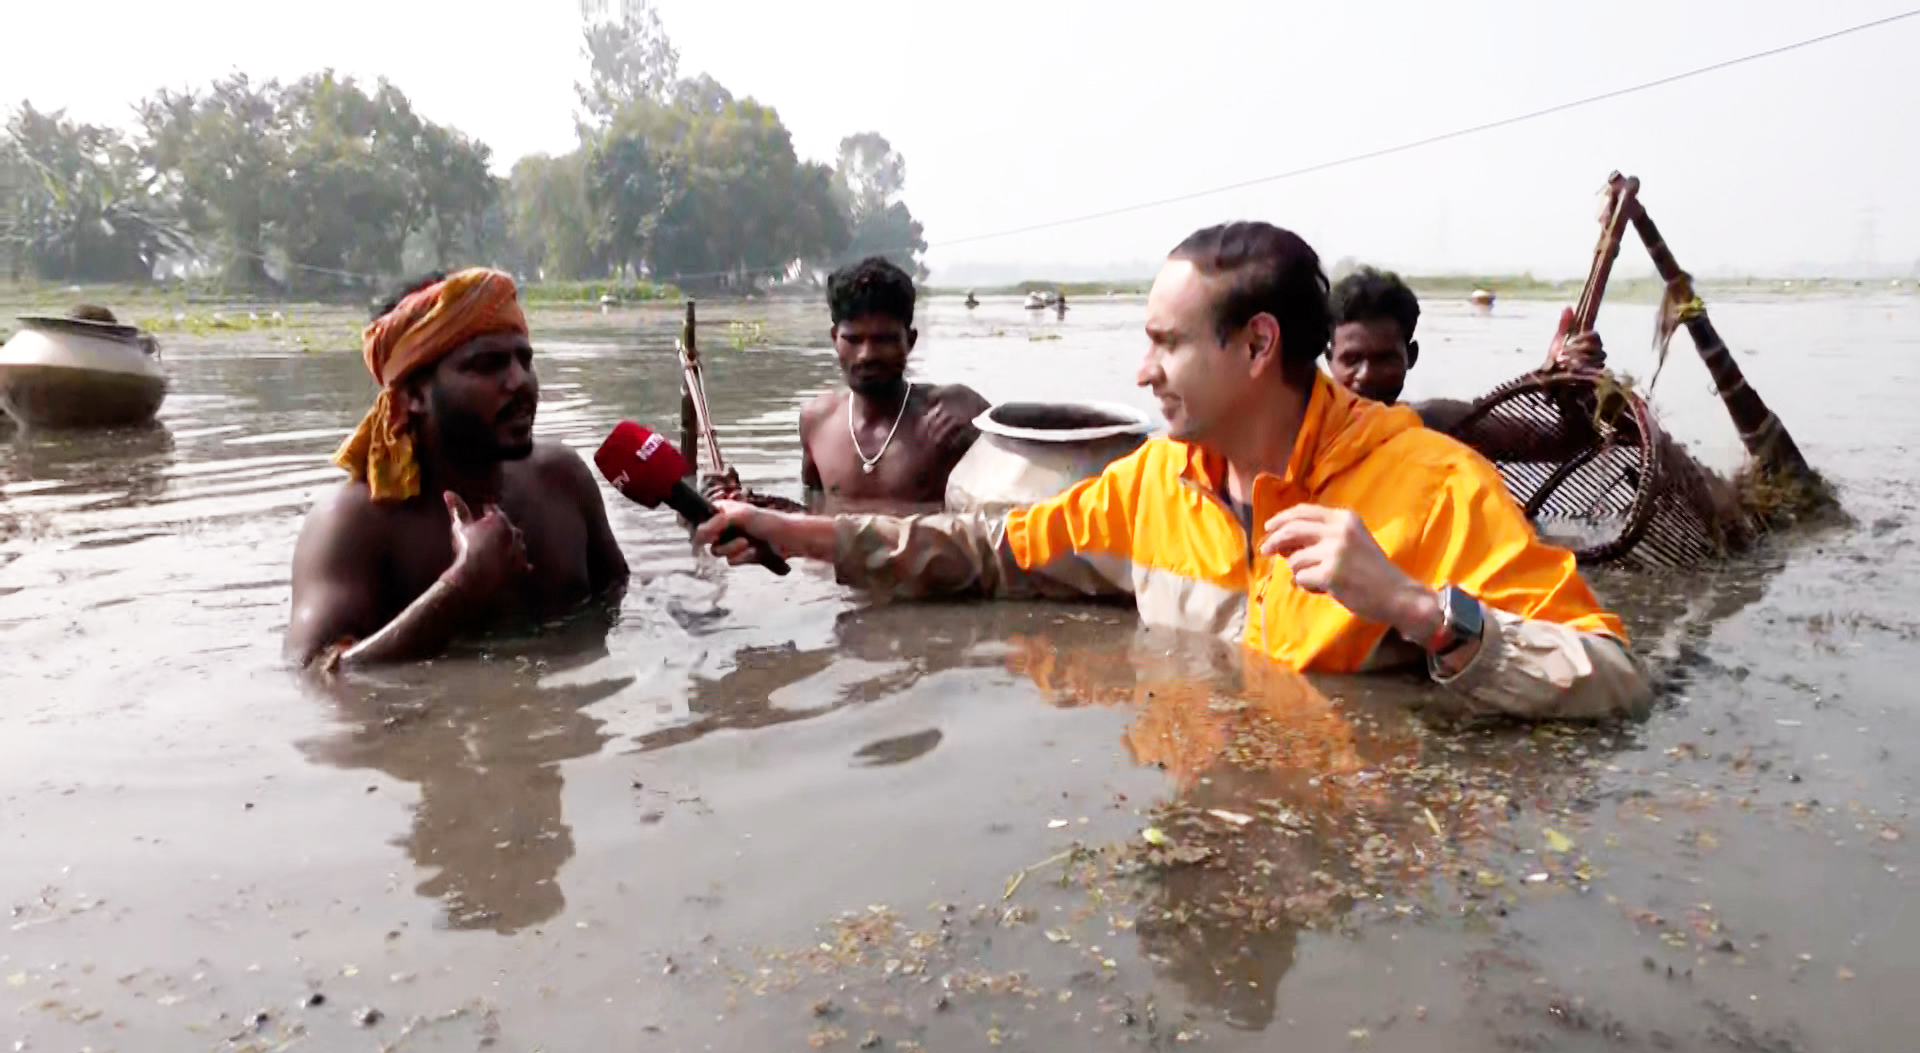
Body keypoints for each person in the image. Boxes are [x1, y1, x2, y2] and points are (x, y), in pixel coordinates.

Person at [694, 223, 1650, 720]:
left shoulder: (1433, 488)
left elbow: (1611, 677)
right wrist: (801, 534)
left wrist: (1415, 609)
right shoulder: (1158, 481)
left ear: (1257, 346)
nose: (1141, 372)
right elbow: (991, 552)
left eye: (1165, 344)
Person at [284, 268, 628, 670]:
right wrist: (462, 585)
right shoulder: (354, 522)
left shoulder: (563, 480)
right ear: (412, 396)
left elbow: (620, 599)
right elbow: (315, 673)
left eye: (524, 359)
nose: (520, 381)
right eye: (487, 365)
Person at [797, 256, 990, 510]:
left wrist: (984, 423)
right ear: (835, 339)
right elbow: (812, 506)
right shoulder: (815, 420)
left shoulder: (951, 414)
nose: (866, 355)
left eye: (883, 340)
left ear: (910, 341)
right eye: (853, 340)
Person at [1325, 266, 1602, 432]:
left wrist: (1568, 386)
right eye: (1351, 360)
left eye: (1384, 359)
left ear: (1411, 357)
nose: (1366, 374)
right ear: (1329, 359)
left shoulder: (1435, 423)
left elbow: (1565, 443)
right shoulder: (1309, 431)